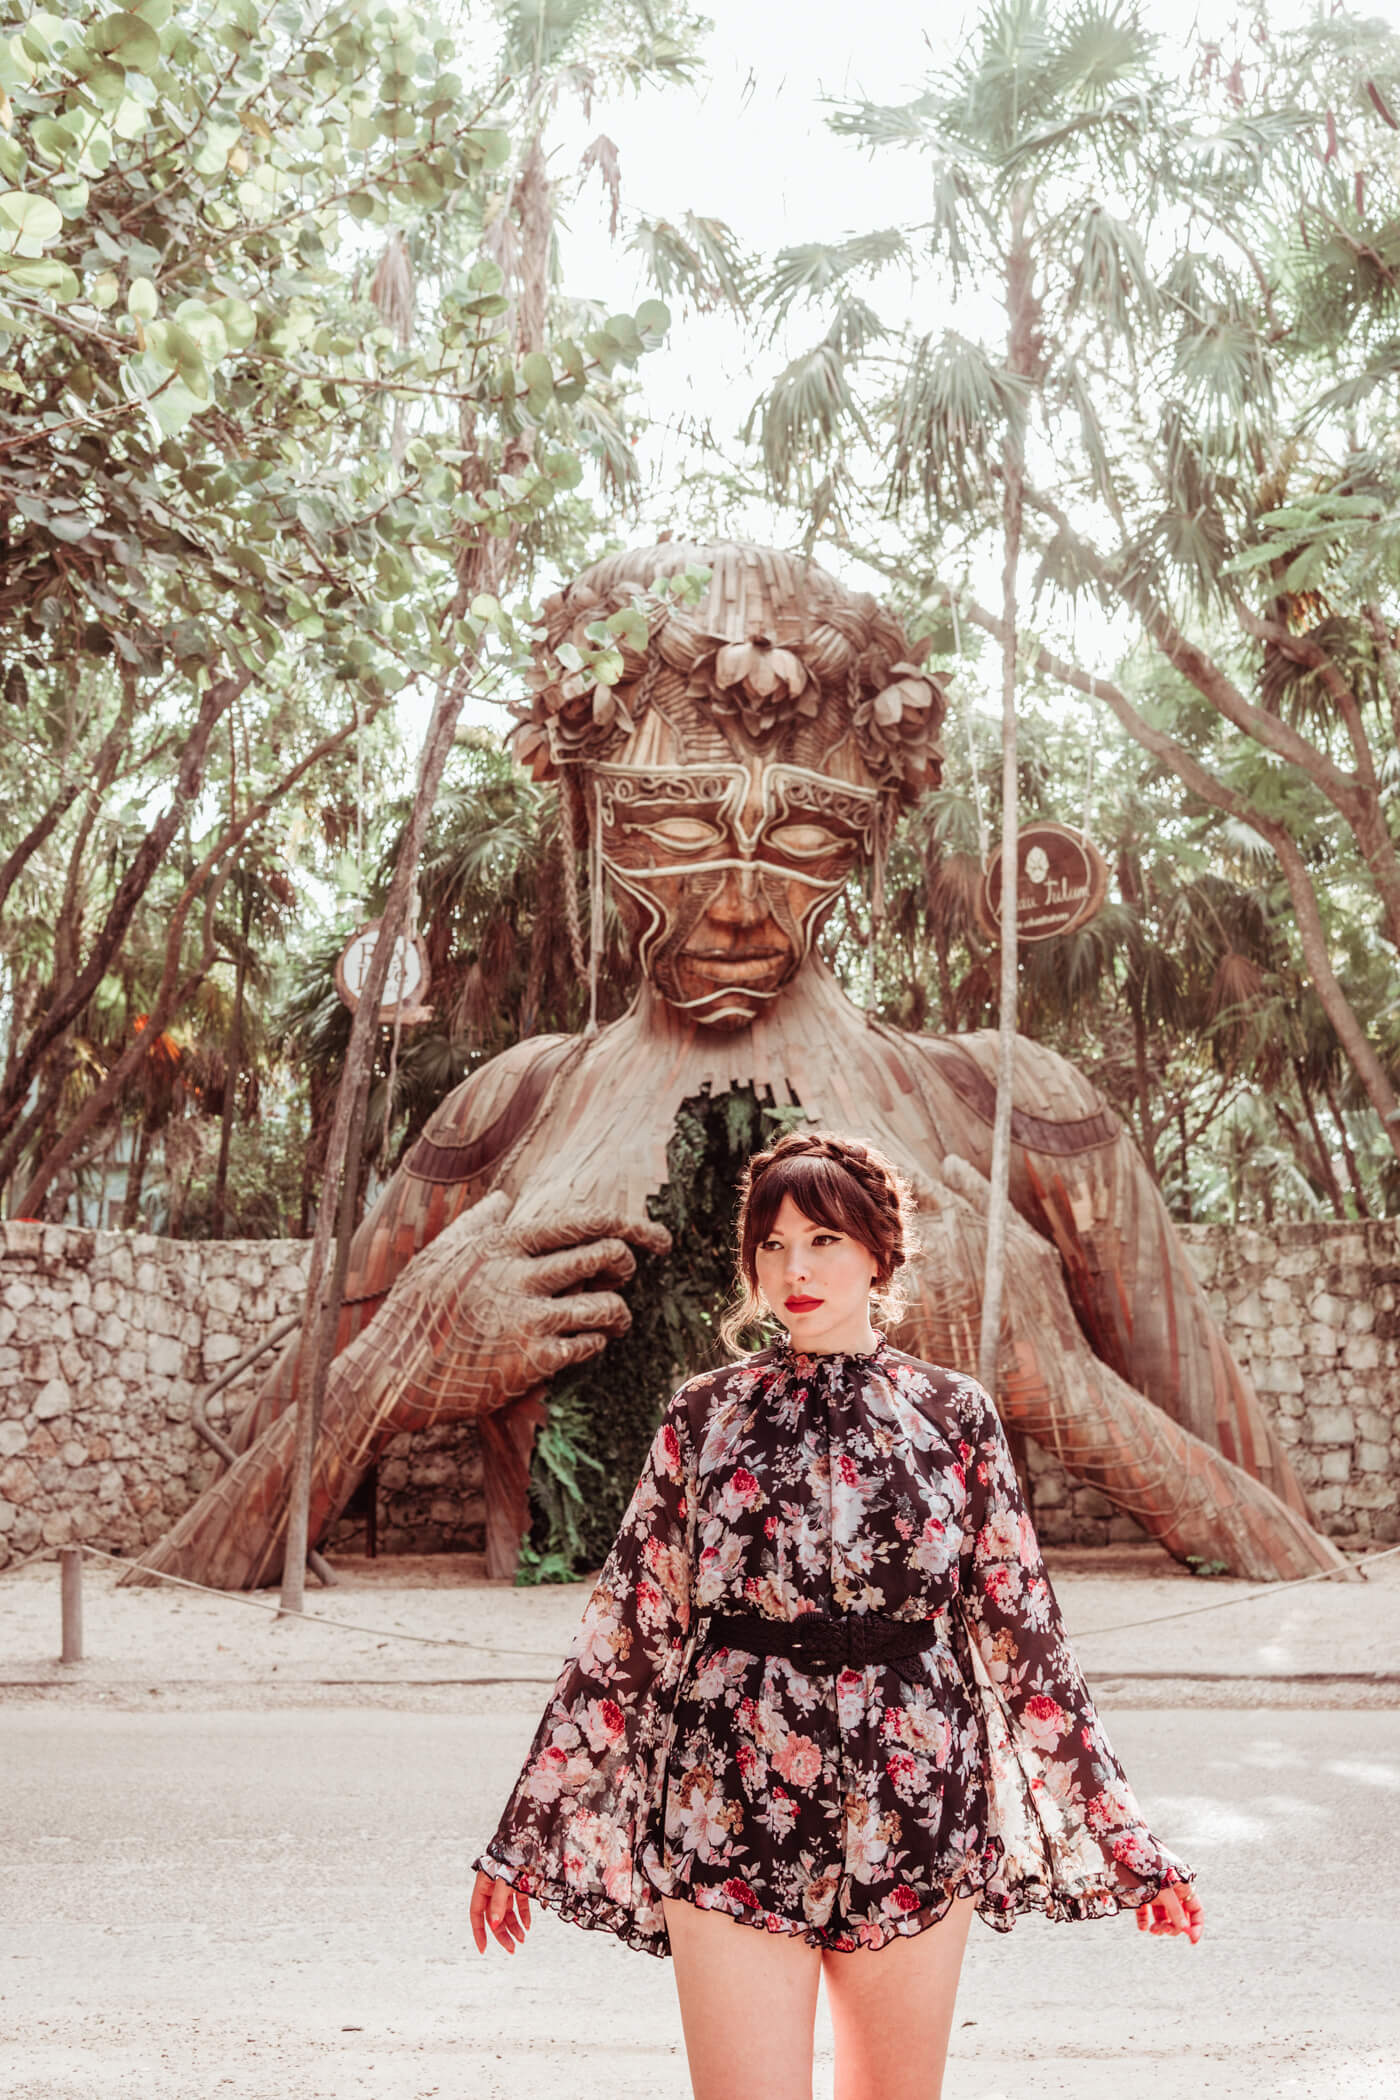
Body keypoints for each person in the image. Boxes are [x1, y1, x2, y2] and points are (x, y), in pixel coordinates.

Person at [469, 1129, 1203, 2100]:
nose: (793, 1269)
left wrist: (1127, 1844)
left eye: (819, 1240)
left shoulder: (954, 1416)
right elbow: (625, 1637)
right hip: (727, 1801)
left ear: (876, 1252)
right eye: (769, 1246)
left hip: (914, 1806)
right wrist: (527, 1831)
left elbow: (1026, 1645)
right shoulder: (703, 1417)